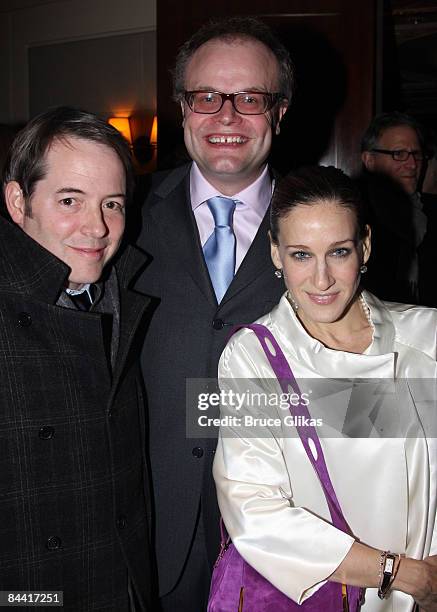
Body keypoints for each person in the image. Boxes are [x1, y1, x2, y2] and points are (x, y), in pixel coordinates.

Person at [213, 165, 437, 611]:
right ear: (275, 253)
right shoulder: (253, 357)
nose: (321, 280)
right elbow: (253, 510)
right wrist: (401, 574)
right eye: (300, 254)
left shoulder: (428, 335)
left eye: (338, 252)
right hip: (337, 592)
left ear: (365, 245)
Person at [135, 16, 293, 611]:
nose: (226, 116)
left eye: (249, 97)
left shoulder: (332, 224)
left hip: (285, 536)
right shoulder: (120, 216)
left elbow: (364, 390)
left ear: (278, 112)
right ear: (182, 108)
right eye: (206, 96)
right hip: (149, 531)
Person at [1, 106, 152, 611]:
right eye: (70, 200)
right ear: (18, 201)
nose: (97, 228)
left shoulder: (123, 292)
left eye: (113, 204)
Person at [359, 111, 427, 303]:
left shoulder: (428, 214)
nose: (412, 164)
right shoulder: (354, 217)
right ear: (369, 161)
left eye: (417, 154)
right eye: (399, 154)